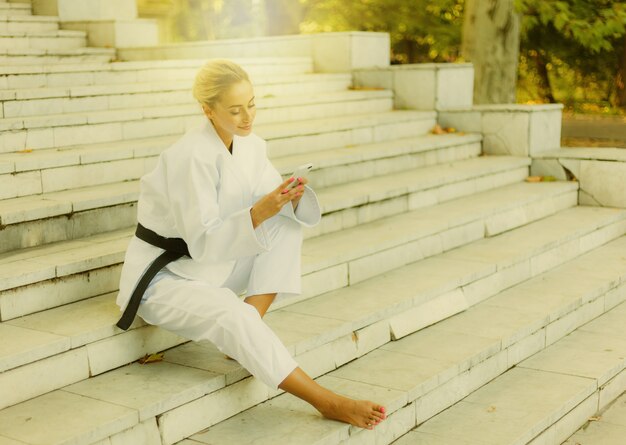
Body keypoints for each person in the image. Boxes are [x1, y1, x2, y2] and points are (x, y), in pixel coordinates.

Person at [116, 59, 387, 430]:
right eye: (235, 109)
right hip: (167, 279)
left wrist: (288, 198)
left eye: (252, 104)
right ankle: (326, 400)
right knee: (232, 314)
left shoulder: (251, 145)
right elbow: (202, 241)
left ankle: (244, 332)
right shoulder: (188, 157)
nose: (248, 117)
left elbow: (269, 204)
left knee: (286, 227)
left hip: (214, 267)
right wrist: (258, 212)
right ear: (207, 110)